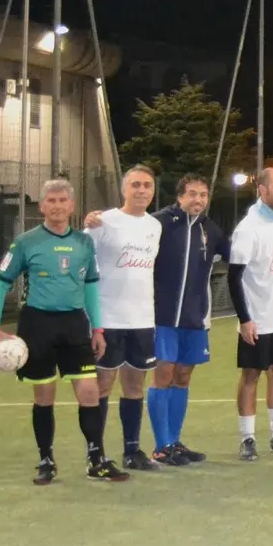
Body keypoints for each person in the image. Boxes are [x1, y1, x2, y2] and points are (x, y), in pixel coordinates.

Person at [0, 178, 127, 483]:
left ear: (72, 206)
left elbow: (90, 287)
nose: (57, 206)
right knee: (44, 396)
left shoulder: (84, 243)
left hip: (75, 325)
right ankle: (46, 460)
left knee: (90, 392)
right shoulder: (25, 242)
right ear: (42, 206)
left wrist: (98, 328)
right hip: (37, 325)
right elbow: (0, 283)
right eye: (51, 201)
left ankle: (96, 459)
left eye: (63, 200)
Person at [134, 174, 226, 466]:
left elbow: (237, 256)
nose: (198, 200)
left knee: (183, 376)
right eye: (192, 194)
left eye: (203, 195)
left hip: (195, 318)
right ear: (180, 196)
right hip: (162, 317)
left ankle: (174, 441)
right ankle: (161, 446)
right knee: (163, 374)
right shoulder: (159, 223)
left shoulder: (210, 230)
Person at [86, 165, 165, 470]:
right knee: (102, 386)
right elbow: (84, 261)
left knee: (134, 387)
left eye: (147, 185)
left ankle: (132, 451)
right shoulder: (102, 221)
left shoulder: (154, 226)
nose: (141, 190)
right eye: (135, 185)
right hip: (108, 319)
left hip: (142, 320)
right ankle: (97, 453)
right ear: (124, 189)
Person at [228, 167, 273, 459]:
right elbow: (234, 277)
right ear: (262, 189)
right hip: (257, 319)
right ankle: (247, 438)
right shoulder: (248, 228)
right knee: (251, 375)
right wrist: (245, 319)